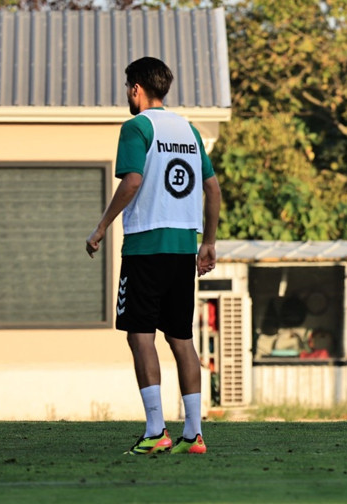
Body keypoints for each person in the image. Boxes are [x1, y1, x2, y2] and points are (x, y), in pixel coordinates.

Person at [86, 57, 221, 454]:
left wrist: (101, 227)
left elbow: (132, 181)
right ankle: (194, 434)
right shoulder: (190, 130)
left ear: (135, 89)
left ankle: (155, 431)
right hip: (182, 248)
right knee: (182, 338)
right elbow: (212, 190)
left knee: (140, 335)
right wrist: (208, 242)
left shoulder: (136, 127)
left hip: (146, 247)